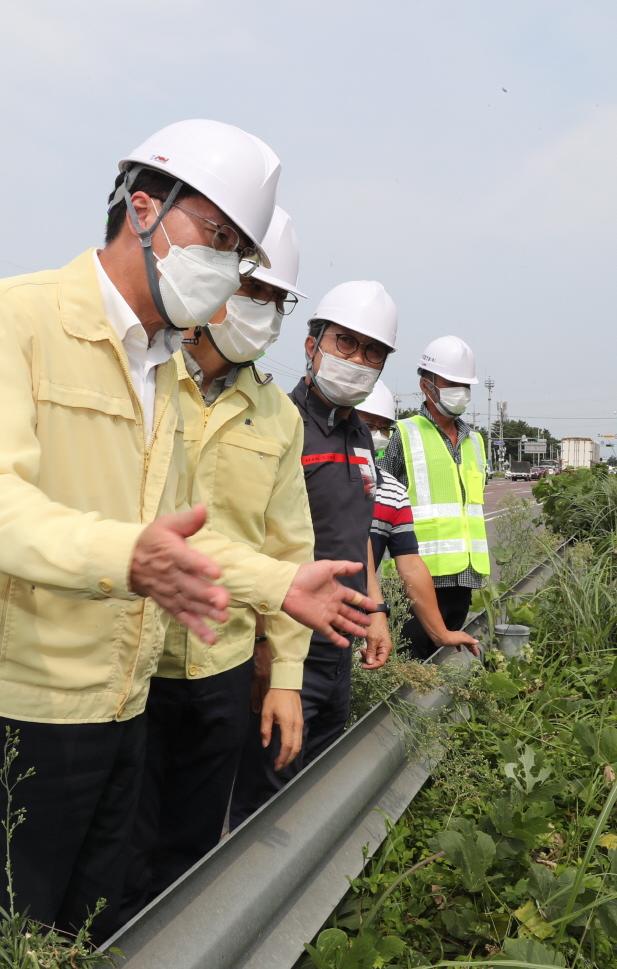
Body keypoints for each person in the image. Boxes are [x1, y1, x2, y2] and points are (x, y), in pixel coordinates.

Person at [0, 120, 377, 968]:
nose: (226, 269)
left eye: (239, 255)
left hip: (122, 707)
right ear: (144, 208)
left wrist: (278, 588)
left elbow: (179, 538)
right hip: (21, 710)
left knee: (99, 939)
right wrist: (121, 556)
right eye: (216, 238)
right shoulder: (14, 317)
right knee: (3, 950)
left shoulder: (161, 368)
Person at [120, 207, 313, 920]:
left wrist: (284, 676)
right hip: (133, 665)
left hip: (223, 670)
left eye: (275, 301)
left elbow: (291, 551)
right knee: (121, 866)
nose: (261, 312)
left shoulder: (278, 415)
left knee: (192, 863)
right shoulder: (145, 375)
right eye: (252, 291)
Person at [230, 281, 398, 827]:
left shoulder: (361, 435)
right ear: (311, 345)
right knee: (269, 794)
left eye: (373, 352)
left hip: (338, 645)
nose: (359, 360)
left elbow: (360, 535)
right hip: (287, 644)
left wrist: (374, 612)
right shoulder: (280, 423)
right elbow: (256, 542)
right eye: (346, 343)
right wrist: (263, 650)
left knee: (322, 779)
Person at [378, 335, 492, 663]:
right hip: (414, 580)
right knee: (411, 668)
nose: (461, 391)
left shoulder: (476, 442)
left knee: (442, 669)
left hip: (463, 577)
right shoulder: (402, 434)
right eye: (451, 382)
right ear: (426, 385)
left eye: (465, 384)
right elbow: (379, 503)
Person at [357, 382, 480, 658]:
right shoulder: (315, 474)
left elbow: (409, 563)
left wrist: (441, 634)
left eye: (384, 428)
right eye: (367, 425)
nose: (376, 435)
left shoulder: (391, 491)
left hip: (357, 612)